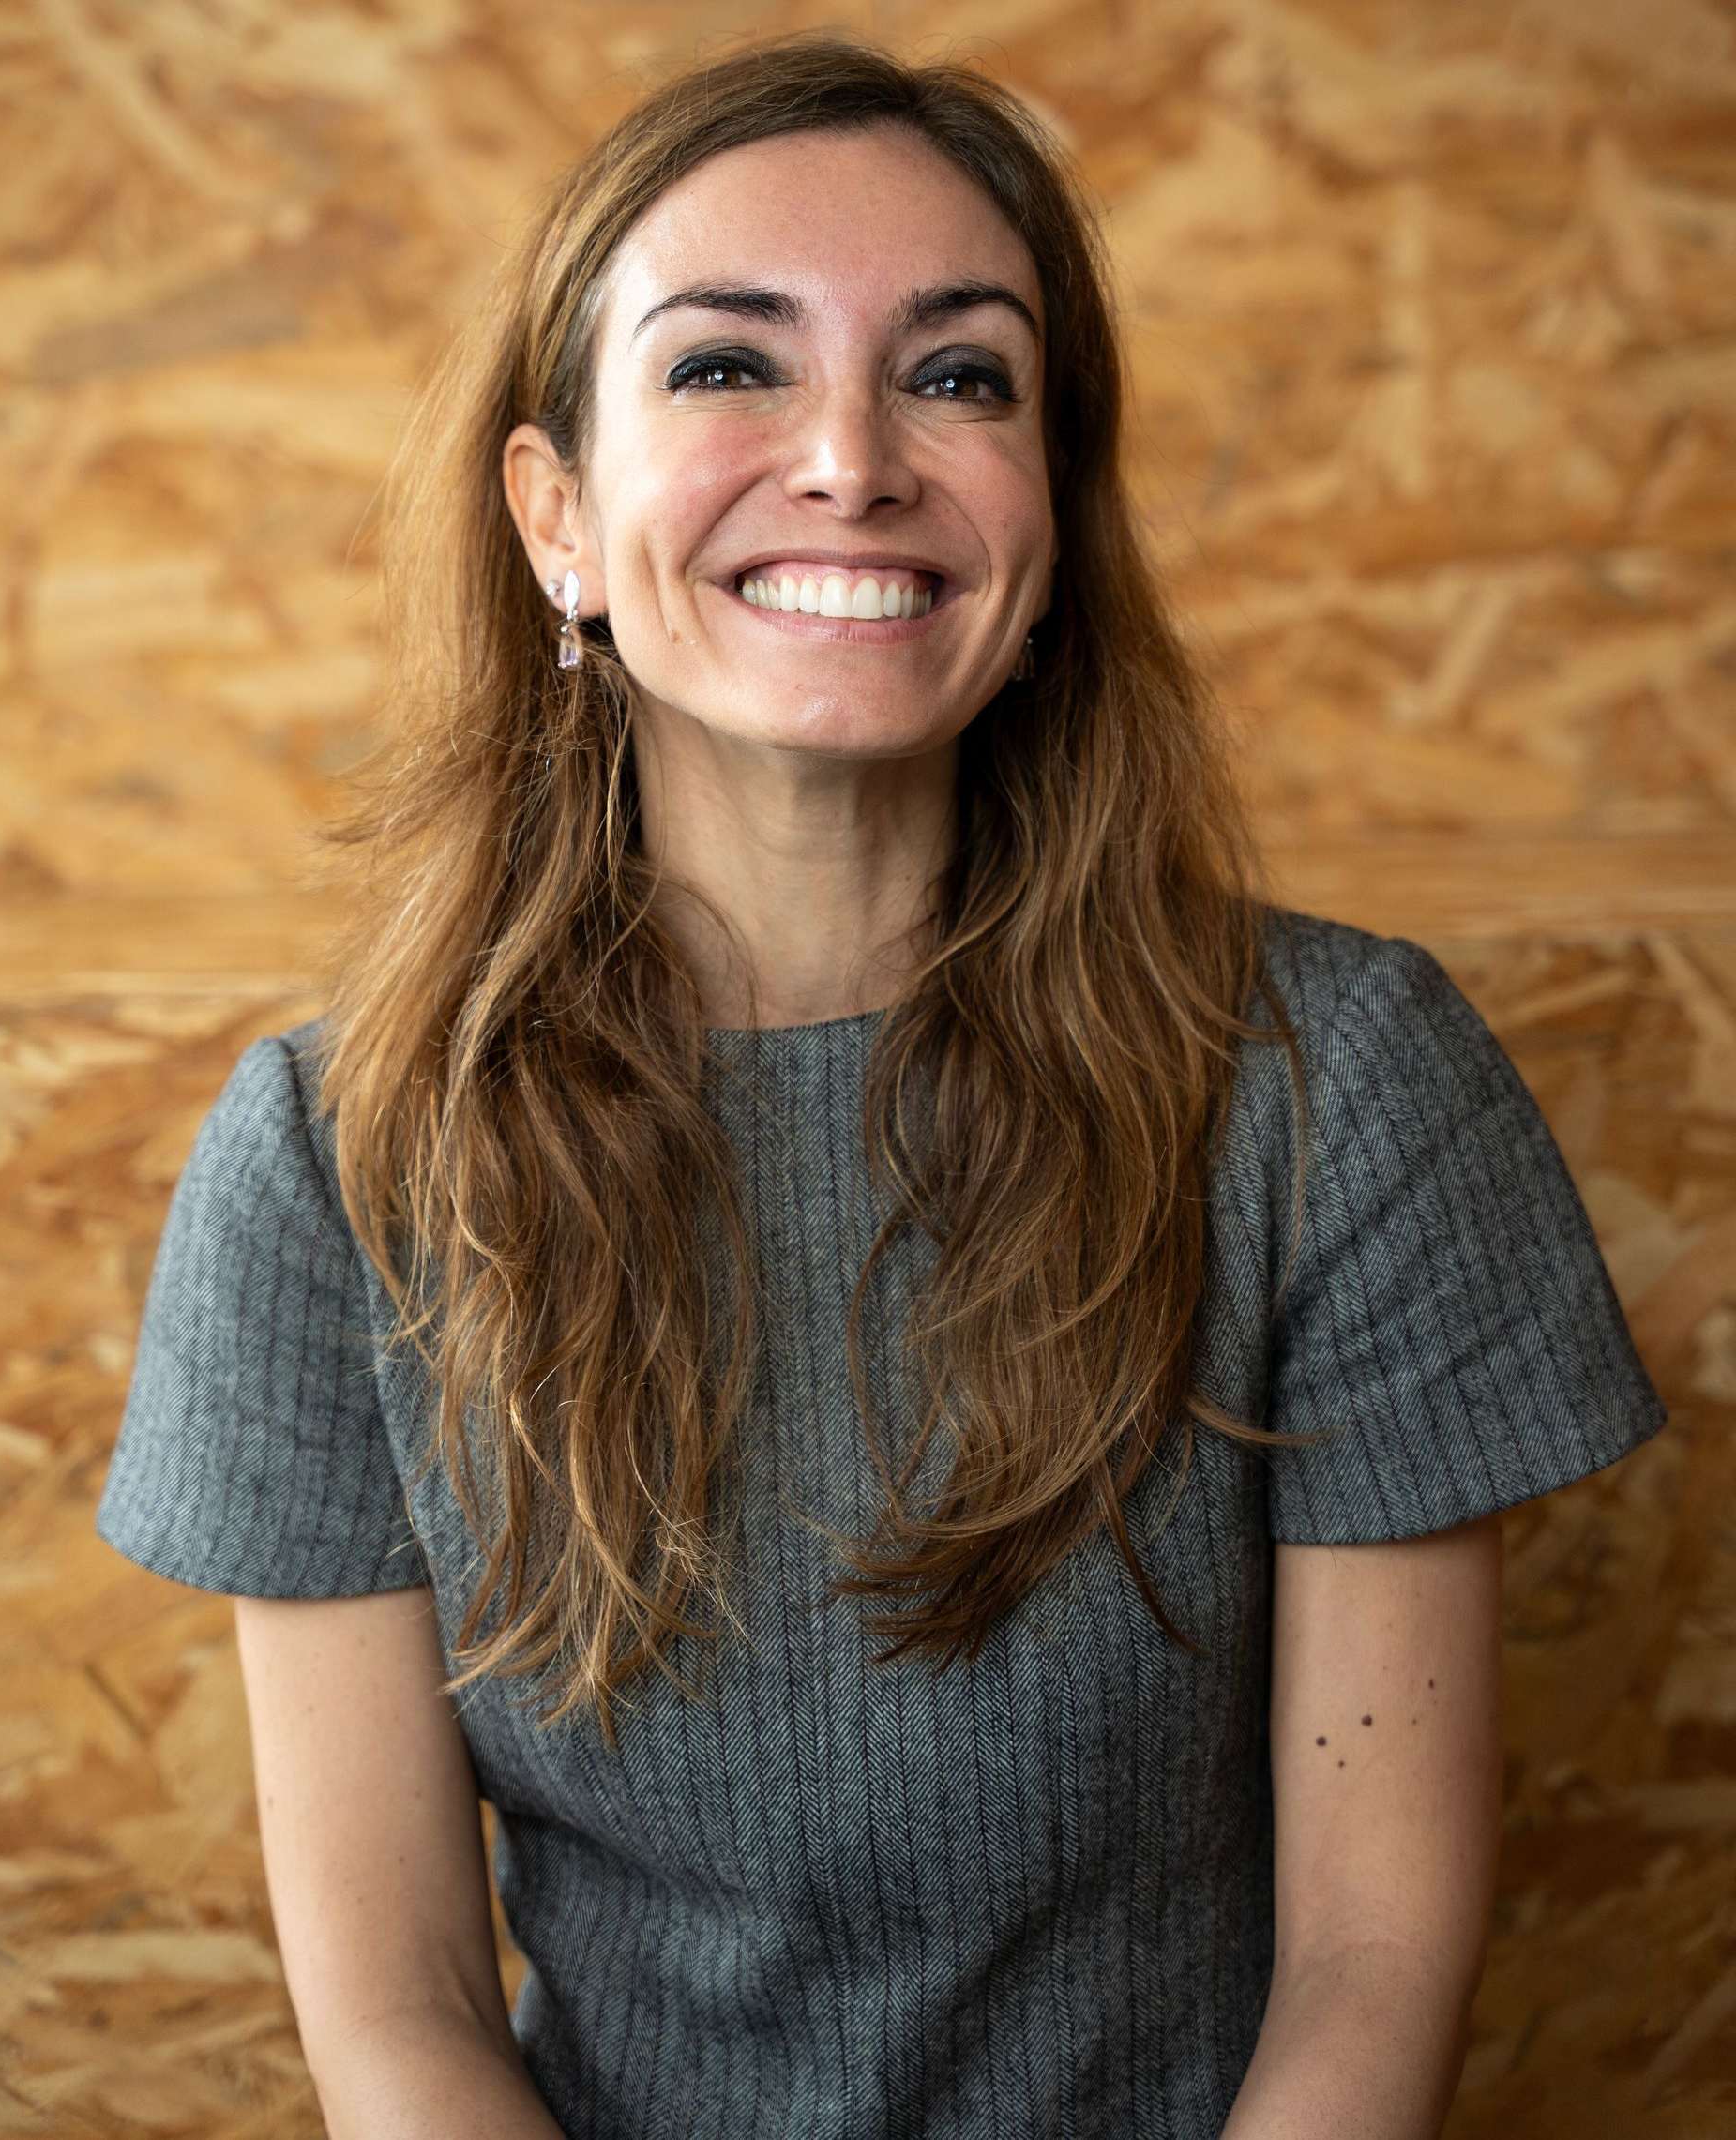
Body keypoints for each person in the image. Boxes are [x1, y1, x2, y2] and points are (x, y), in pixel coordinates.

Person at [93, 31, 1668, 2140]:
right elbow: (398, 2015)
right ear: (557, 518)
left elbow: (1372, 1962)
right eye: (728, 365)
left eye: (959, 374)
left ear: (1050, 527)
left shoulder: (1333, 1086)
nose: (853, 458)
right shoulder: (330, 1161)